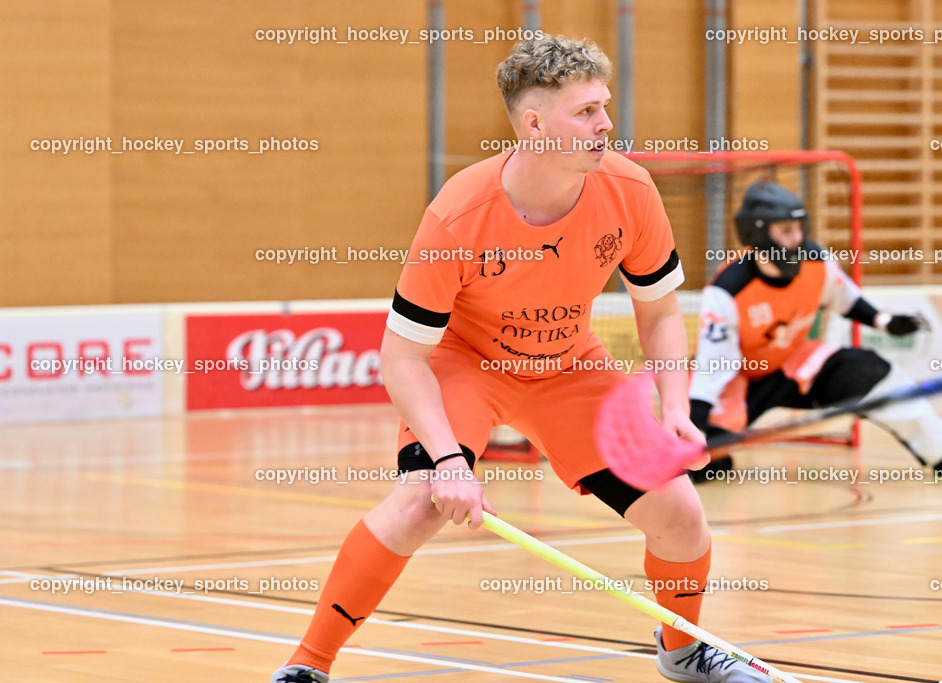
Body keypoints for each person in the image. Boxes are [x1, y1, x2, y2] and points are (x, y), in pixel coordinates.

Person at [272, 36, 770, 683]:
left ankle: (682, 651)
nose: (606, 124)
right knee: (420, 498)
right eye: (586, 111)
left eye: (605, 106)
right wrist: (449, 461)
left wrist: (675, 408)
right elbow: (401, 357)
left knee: (680, 513)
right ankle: (308, 665)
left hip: (570, 367)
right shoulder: (459, 214)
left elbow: (660, 310)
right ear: (534, 124)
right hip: (467, 363)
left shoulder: (630, 190)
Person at [688, 180, 942, 483]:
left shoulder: (817, 263)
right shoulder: (728, 289)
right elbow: (714, 364)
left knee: (874, 373)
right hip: (740, 377)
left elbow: (845, 300)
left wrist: (885, 322)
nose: (798, 238)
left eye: (800, 228)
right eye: (786, 231)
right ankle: (713, 452)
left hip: (794, 364)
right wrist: (697, 429)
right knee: (704, 460)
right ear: (757, 234)